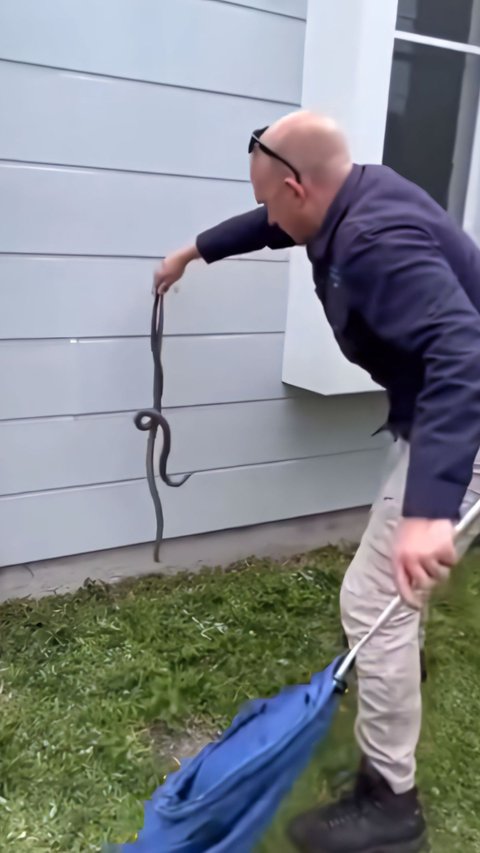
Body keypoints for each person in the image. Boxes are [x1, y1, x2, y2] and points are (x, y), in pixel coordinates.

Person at [154, 110, 480, 853]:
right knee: (393, 599)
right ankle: (398, 671)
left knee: (374, 598)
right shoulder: (353, 196)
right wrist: (194, 252)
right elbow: (274, 226)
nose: (269, 216)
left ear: (300, 187)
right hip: (442, 414)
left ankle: (391, 806)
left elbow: (464, 351)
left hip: (466, 417)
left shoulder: (372, 242)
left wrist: (431, 510)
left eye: (272, 200)